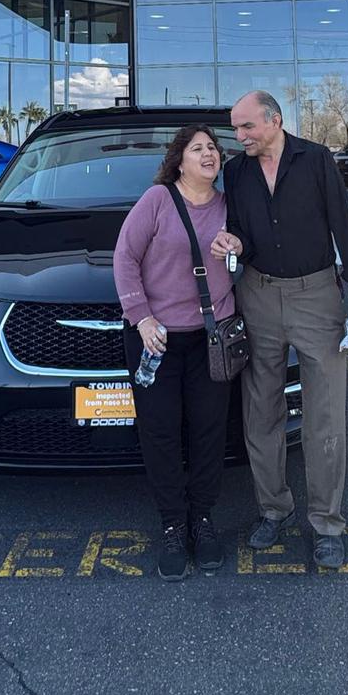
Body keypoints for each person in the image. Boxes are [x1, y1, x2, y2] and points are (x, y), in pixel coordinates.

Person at [211, 90, 348, 570]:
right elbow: (242, 234)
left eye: (247, 126)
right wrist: (233, 244)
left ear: (275, 120)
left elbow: (343, 224)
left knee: (324, 414)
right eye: (235, 128)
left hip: (316, 296)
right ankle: (274, 510)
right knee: (261, 412)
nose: (239, 136)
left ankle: (327, 524)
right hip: (258, 296)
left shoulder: (316, 159)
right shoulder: (237, 171)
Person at [113, 124, 236, 581]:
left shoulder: (229, 206)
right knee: (160, 432)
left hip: (212, 338)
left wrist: (238, 245)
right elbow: (125, 258)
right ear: (179, 161)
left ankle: (201, 519)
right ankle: (172, 524)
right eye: (197, 148)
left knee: (209, 431)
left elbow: (248, 252)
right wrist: (141, 318)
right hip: (156, 339)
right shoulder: (157, 201)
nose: (208, 154)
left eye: (212, 148)